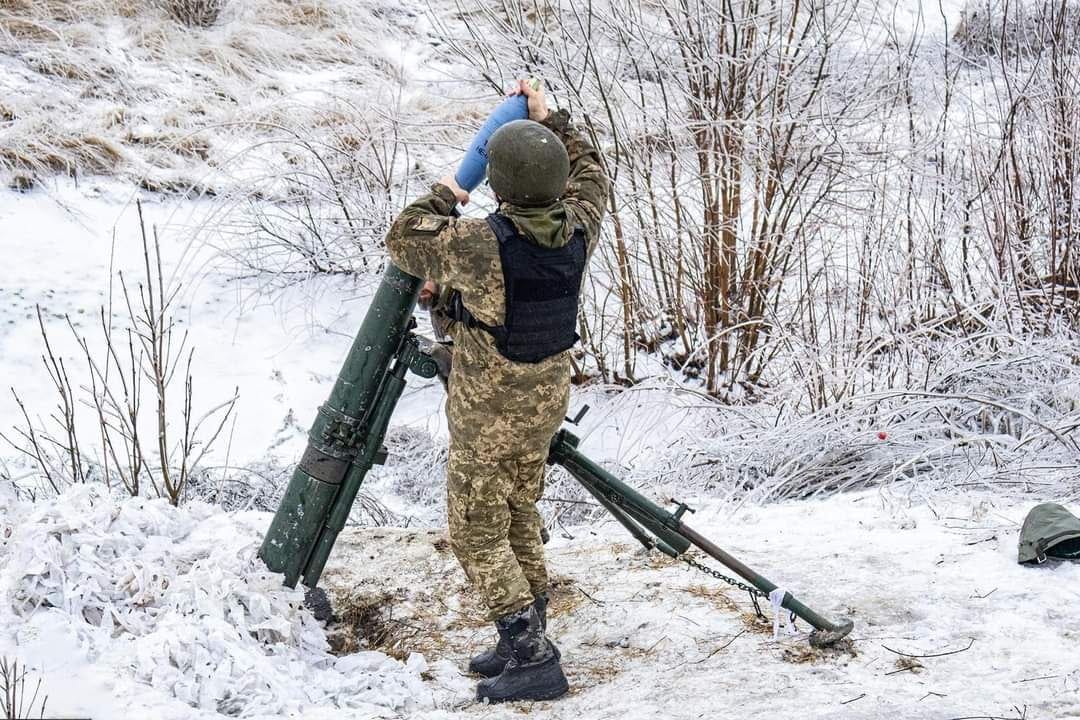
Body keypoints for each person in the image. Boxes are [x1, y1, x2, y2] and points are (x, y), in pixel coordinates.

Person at [384, 80, 609, 703]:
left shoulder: (480, 242)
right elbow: (593, 172)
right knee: (516, 512)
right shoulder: (580, 224)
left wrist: (452, 190)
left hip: (488, 410)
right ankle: (523, 639)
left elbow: (404, 237)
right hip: (544, 400)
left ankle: (534, 656)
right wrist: (552, 119)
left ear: (500, 185)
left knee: (473, 529)